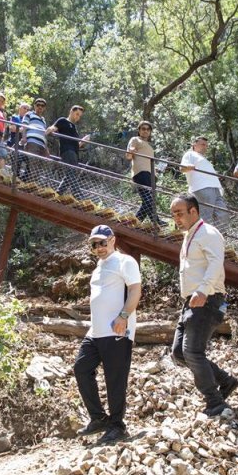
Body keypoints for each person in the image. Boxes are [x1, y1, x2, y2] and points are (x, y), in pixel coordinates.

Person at [169, 194, 238, 417]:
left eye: (179, 213)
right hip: (192, 302)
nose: (176, 218)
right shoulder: (190, 235)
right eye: (173, 214)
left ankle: (215, 401)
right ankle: (225, 380)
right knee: (180, 352)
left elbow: (216, 263)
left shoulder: (208, 233)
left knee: (192, 351)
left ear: (194, 211)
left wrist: (202, 290)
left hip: (207, 299)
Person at [74, 225, 142, 444]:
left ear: (113, 240)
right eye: (94, 244)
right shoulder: (98, 268)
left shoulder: (125, 261)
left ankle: (117, 425)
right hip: (96, 332)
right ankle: (98, 418)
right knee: (81, 368)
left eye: (102, 242)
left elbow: (135, 290)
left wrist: (123, 316)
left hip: (117, 330)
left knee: (114, 379)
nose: (99, 247)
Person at [179, 136, 227, 227]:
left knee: (223, 214)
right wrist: (189, 167)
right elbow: (182, 168)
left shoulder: (203, 158)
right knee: (206, 216)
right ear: (194, 144)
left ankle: (216, 237)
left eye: (206, 145)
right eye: (202, 144)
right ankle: (204, 237)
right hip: (202, 187)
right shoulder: (190, 154)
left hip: (215, 188)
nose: (205, 147)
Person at [46, 105, 90, 198]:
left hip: (74, 152)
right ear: (71, 112)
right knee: (71, 174)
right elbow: (53, 128)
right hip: (67, 151)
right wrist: (48, 130)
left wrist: (83, 141)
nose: (77, 117)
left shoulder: (74, 127)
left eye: (79, 116)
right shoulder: (63, 121)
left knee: (70, 175)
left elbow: (76, 145)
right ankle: (80, 197)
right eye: (76, 114)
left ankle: (57, 195)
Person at [126, 121, 164, 226]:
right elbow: (128, 156)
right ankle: (156, 221)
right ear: (139, 130)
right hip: (140, 173)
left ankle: (134, 223)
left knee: (147, 201)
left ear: (150, 132)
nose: (146, 131)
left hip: (151, 175)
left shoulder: (149, 145)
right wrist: (131, 151)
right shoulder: (135, 140)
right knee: (148, 199)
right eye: (143, 129)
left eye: (148, 129)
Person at [20, 98, 49, 182]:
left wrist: (46, 148)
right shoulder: (29, 114)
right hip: (32, 142)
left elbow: (44, 134)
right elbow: (24, 126)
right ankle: (32, 185)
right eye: (38, 105)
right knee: (33, 165)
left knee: (39, 166)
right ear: (34, 106)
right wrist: (24, 137)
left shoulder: (43, 120)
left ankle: (28, 183)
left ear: (44, 108)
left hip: (42, 145)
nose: (40, 107)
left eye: (42, 106)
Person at [6, 102, 30, 179]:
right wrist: (25, 129)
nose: (26, 110)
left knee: (29, 163)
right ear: (19, 109)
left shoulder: (29, 120)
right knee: (16, 163)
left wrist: (21, 129)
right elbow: (12, 129)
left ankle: (23, 180)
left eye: (28, 109)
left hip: (25, 146)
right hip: (15, 143)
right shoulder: (15, 117)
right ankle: (15, 180)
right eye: (24, 108)